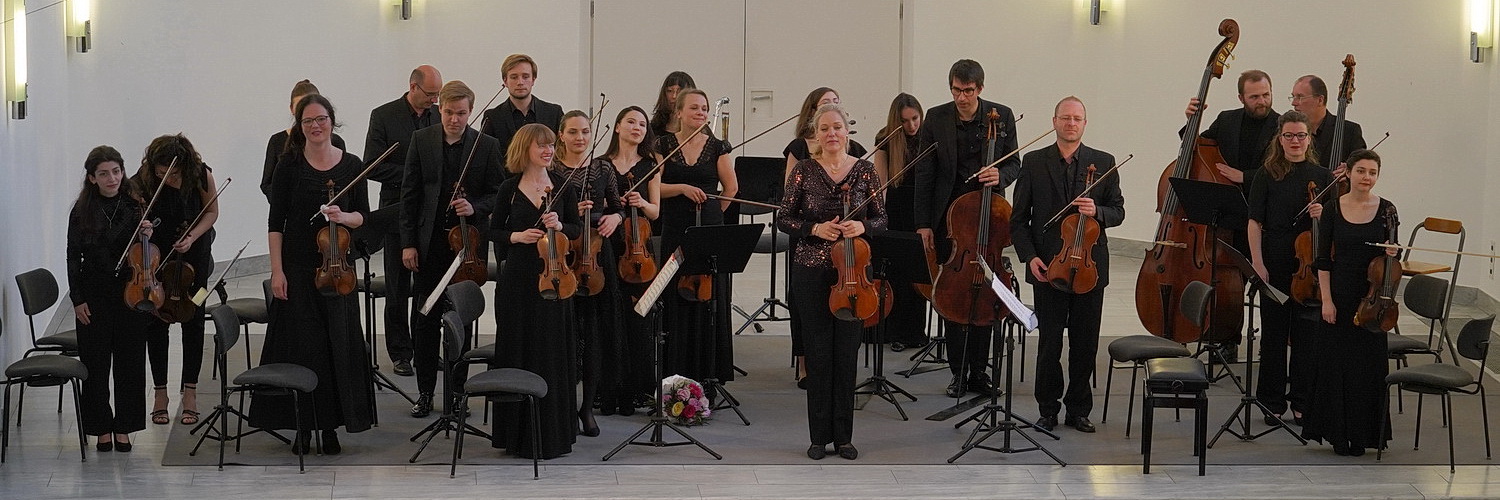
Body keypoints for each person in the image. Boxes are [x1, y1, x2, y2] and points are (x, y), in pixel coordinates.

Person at [254, 93, 375, 455]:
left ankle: (332, 426)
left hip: (338, 271)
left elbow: (363, 217)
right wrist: (277, 272)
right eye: (308, 121)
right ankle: (303, 426)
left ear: (332, 121)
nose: (316, 126)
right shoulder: (288, 166)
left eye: (321, 119)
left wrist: (344, 217)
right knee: (303, 349)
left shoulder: (352, 165)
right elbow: (275, 224)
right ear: (300, 126)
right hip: (297, 268)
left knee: (337, 346)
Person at [779, 103, 887, 460]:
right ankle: (818, 437)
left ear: (847, 131)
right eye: (824, 128)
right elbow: (784, 218)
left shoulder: (865, 170)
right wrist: (814, 228)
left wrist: (862, 226)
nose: (831, 134)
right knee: (818, 353)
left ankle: (844, 437)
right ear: (815, 134)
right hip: (811, 271)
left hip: (854, 275)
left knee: (846, 354)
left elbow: (882, 219)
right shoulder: (804, 170)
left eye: (837, 127)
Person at [1010, 97, 1124, 433]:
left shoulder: (1104, 162)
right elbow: (1019, 220)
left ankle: (1078, 410)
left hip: (1090, 269)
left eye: (1077, 118)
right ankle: (1047, 409)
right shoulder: (1033, 162)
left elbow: (1118, 211)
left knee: (1085, 343)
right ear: (1055, 121)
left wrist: (1097, 212)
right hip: (1049, 267)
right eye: (1065, 118)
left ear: (1084, 123)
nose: (1071, 123)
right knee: (1049, 344)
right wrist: (1030, 257)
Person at [912, 59, 1019, 398]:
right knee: (953, 295)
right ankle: (958, 372)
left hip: (988, 219)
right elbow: (924, 173)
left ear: (980, 89)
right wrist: (923, 224)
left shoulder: (1001, 116)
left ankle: (980, 372)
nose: (961, 97)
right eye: (956, 90)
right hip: (950, 220)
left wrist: (1000, 175)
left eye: (968, 91)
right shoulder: (936, 117)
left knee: (986, 297)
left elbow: (1014, 162)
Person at [399, 80, 503, 418]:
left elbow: (498, 193)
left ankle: (458, 393)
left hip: (467, 247)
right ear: (438, 109)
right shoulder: (421, 140)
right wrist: (408, 243)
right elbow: (409, 196)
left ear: (470, 112)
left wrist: (475, 207)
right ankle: (425, 392)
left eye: (461, 113)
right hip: (429, 244)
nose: (454, 119)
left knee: (461, 319)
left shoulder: (486, 145)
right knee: (425, 317)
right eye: (448, 112)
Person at [488, 123, 581, 459]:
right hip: (518, 279)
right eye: (541, 145)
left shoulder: (563, 186)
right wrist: (516, 236)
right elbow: (494, 231)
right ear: (524, 148)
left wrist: (561, 225)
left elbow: (576, 229)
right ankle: (516, 435)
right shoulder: (509, 188)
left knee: (551, 351)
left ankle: (553, 433)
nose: (548, 150)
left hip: (555, 278)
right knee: (519, 347)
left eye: (551, 145)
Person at [1302, 148, 1396, 456]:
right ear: (1349, 173)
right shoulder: (1332, 208)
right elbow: (1322, 260)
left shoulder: (1387, 210)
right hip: (1339, 295)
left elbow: (1391, 263)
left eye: (1373, 172)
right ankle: (1338, 435)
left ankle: (1363, 435)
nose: (1367, 177)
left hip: (1372, 302)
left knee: (1367, 368)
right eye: (1361, 171)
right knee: (1336, 365)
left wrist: (1393, 253)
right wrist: (1326, 301)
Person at [1183, 69, 1280, 360]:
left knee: (1264, 282)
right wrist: (1191, 122)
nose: (1262, 101)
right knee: (1228, 283)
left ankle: (1272, 344)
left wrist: (1244, 176)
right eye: (1254, 97)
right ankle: (1226, 340)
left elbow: (1284, 168)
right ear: (1241, 97)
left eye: (1266, 94)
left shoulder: (1283, 124)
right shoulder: (1226, 119)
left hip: (1265, 217)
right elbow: (1197, 149)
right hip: (1229, 216)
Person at [1247, 110, 1333, 427]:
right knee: (1273, 336)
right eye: (1289, 135)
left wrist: (1324, 214)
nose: (1295, 141)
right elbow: (1254, 222)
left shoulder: (1323, 177)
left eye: (1301, 135)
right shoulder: (1266, 174)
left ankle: (1302, 401)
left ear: (1309, 139)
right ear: (1280, 139)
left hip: (1309, 270)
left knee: (1306, 338)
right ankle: (1271, 402)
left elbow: (1334, 227)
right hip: (1274, 263)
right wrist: (1258, 263)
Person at [67, 145, 154, 452]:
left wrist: (147, 234)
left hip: (131, 292)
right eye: (103, 173)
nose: (112, 178)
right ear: (92, 178)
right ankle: (101, 427)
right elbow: (72, 256)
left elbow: (144, 252)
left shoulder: (135, 205)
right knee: (95, 363)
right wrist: (77, 299)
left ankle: (124, 428)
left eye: (116, 171)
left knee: (131, 363)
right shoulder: (81, 211)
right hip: (94, 294)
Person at [657, 88, 739, 386]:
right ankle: (675, 375)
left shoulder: (718, 147)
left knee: (708, 299)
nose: (701, 112)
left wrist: (713, 213)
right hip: (676, 228)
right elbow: (654, 187)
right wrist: (681, 188)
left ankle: (708, 374)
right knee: (675, 297)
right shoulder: (662, 144)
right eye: (694, 108)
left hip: (707, 230)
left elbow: (730, 189)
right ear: (678, 112)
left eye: (704, 108)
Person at [136, 134, 219, 428]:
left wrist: (192, 236)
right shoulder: (144, 179)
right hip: (158, 260)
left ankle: (190, 393)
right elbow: (133, 214)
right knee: (156, 323)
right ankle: (160, 393)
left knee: (194, 319)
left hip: (197, 260)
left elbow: (212, 212)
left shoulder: (201, 175)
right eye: (162, 173)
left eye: (173, 174)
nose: (168, 179)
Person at [365, 64, 443, 377]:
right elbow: (372, 165)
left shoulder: (438, 116)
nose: (435, 100)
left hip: (430, 212)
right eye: (430, 94)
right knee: (397, 286)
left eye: (438, 94)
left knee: (426, 284)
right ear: (413, 87)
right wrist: (413, 176)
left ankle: (425, 348)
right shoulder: (383, 115)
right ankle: (400, 353)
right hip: (396, 208)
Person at [552, 109, 621, 437]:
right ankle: (564, 406)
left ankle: (587, 407)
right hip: (563, 256)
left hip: (595, 257)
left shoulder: (603, 168)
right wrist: (571, 213)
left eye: (585, 132)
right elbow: (545, 212)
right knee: (565, 335)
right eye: (573, 132)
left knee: (593, 335)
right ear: (561, 135)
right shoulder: (552, 169)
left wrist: (614, 218)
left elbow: (618, 207)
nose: (580, 138)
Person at [596, 106, 660, 416]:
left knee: (639, 322)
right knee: (611, 320)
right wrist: (612, 205)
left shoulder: (651, 165)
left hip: (639, 254)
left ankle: (639, 390)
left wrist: (641, 201)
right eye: (631, 122)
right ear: (618, 127)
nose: (637, 127)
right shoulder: (601, 165)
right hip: (610, 249)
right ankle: (609, 390)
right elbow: (595, 207)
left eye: (642, 124)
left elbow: (655, 212)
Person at [870, 93, 928, 352]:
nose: (912, 125)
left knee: (917, 273)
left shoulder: (929, 137)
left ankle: (915, 332)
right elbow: (880, 184)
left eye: (915, 118)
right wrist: (876, 218)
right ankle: (893, 330)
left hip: (920, 211)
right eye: (905, 121)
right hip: (894, 211)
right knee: (895, 273)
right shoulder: (885, 139)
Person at [262, 79, 347, 199]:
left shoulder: (336, 142)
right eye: (300, 107)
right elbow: (267, 184)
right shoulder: (277, 141)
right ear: (292, 109)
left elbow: (343, 180)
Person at [480, 54, 564, 167]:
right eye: (514, 77)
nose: (520, 82)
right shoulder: (492, 117)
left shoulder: (554, 113)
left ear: (533, 80)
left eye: (525, 76)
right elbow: (487, 157)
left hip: (546, 176)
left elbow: (562, 151)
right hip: (505, 177)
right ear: (505, 81)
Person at [1290, 75, 1366, 170]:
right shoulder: (1290, 133)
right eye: (1293, 97)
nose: (1294, 103)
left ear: (1320, 100)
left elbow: (1363, 167)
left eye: (1300, 97)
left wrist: (1349, 170)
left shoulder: (1350, 132)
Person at [649, 71, 696, 137]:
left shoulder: (699, 131)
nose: (674, 96)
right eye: (669, 91)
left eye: (680, 91)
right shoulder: (652, 129)